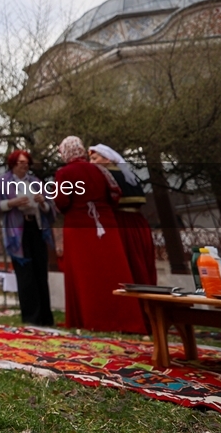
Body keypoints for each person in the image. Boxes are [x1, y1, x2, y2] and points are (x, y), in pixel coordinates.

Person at [53, 136, 144, 334]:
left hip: (79, 225)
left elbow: (61, 201)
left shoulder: (64, 173)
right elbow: (115, 194)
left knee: (84, 274)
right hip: (106, 223)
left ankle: (87, 318)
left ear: (66, 153)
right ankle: (124, 318)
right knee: (113, 270)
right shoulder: (101, 170)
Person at [0, 150, 56, 326]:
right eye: (21, 163)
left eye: (27, 163)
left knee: (41, 273)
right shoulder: (3, 182)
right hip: (17, 233)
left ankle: (46, 318)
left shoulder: (35, 182)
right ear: (13, 164)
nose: (24, 166)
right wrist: (12, 203)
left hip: (37, 229)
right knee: (26, 276)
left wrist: (42, 202)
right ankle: (31, 318)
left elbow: (51, 208)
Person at [89, 144, 157, 286]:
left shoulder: (104, 177)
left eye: (95, 158)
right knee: (142, 263)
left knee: (129, 265)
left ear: (107, 159)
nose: (91, 163)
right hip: (139, 225)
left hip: (120, 224)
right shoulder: (130, 176)